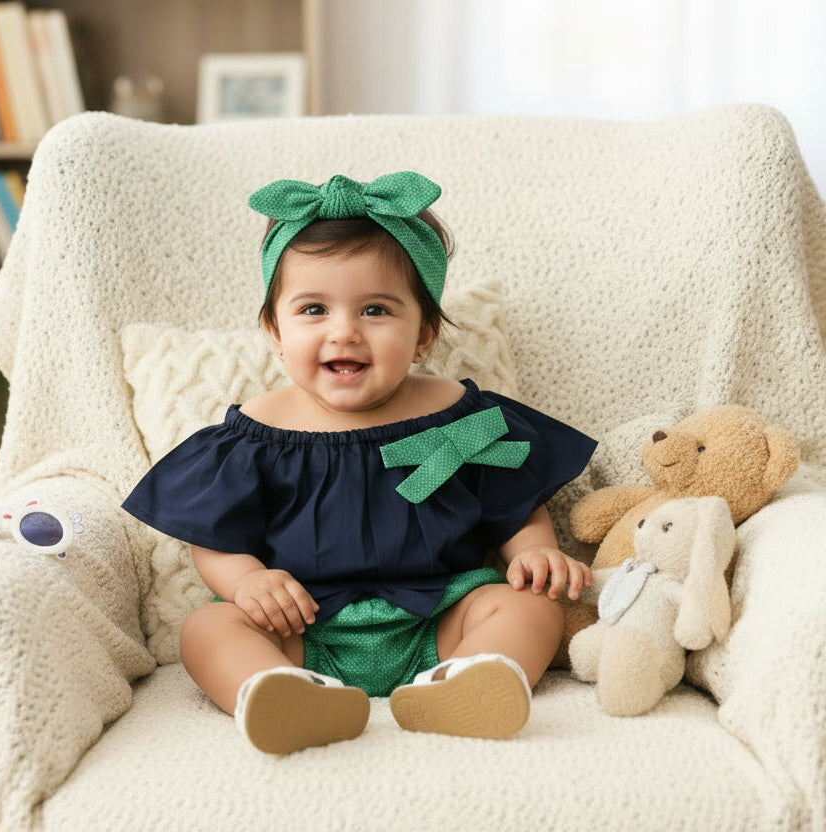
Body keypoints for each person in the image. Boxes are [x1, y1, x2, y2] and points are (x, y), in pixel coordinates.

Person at [122, 171, 597, 755]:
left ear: (422, 335)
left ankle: (469, 681)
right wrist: (249, 582)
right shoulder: (257, 431)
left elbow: (516, 505)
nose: (344, 332)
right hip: (302, 625)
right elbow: (215, 533)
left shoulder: (459, 413)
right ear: (275, 329)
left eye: (375, 309)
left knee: (530, 605)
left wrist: (533, 553)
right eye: (314, 309)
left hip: (443, 614)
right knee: (208, 628)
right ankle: (277, 691)